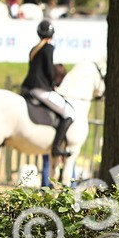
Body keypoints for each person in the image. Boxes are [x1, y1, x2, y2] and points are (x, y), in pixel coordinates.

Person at [20, 20, 74, 158]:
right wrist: (53, 83)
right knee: (69, 112)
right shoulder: (48, 47)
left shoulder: (34, 49)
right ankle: (56, 147)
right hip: (41, 89)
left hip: (30, 87)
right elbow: (49, 70)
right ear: (52, 34)